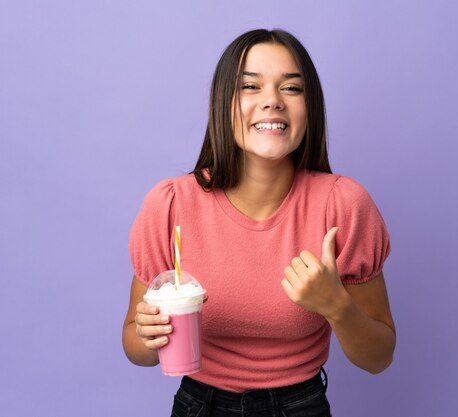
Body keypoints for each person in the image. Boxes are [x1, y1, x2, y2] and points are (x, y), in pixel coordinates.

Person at [122, 28, 396, 417]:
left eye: (291, 88)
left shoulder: (344, 205)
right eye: (250, 86)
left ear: (309, 107)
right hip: (199, 404)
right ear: (223, 104)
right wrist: (148, 336)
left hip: (301, 406)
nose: (272, 101)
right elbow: (135, 348)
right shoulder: (169, 205)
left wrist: (338, 307)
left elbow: (378, 357)